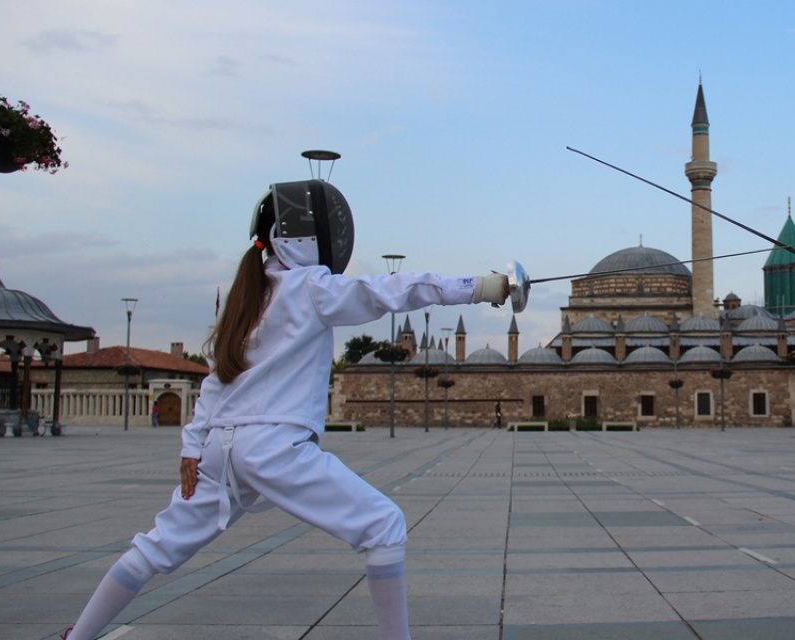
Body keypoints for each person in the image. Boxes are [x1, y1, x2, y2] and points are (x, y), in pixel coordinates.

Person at [62, 179, 515, 640]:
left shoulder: (251, 296)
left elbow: (219, 378)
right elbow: (392, 291)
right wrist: (483, 286)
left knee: (155, 549)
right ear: (316, 234)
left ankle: (77, 637)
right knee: (384, 526)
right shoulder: (310, 287)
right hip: (271, 445)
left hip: (219, 449)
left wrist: (192, 447)